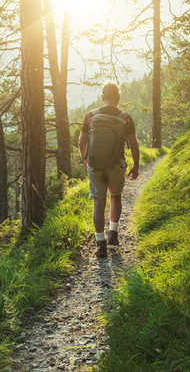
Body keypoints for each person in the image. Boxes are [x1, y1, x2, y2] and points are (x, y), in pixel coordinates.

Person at [78, 81, 139, 258]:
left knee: (98, 202)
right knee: (115, 197)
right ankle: (113, 234)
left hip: (95, 164)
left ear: (102, 97)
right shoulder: (126, 118)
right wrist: (135, 165)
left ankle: (100, 245)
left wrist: (85, 158)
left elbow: (82, 141)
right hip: (116, 164)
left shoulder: (90, 115)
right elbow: (134, 145)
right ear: (118, 98)